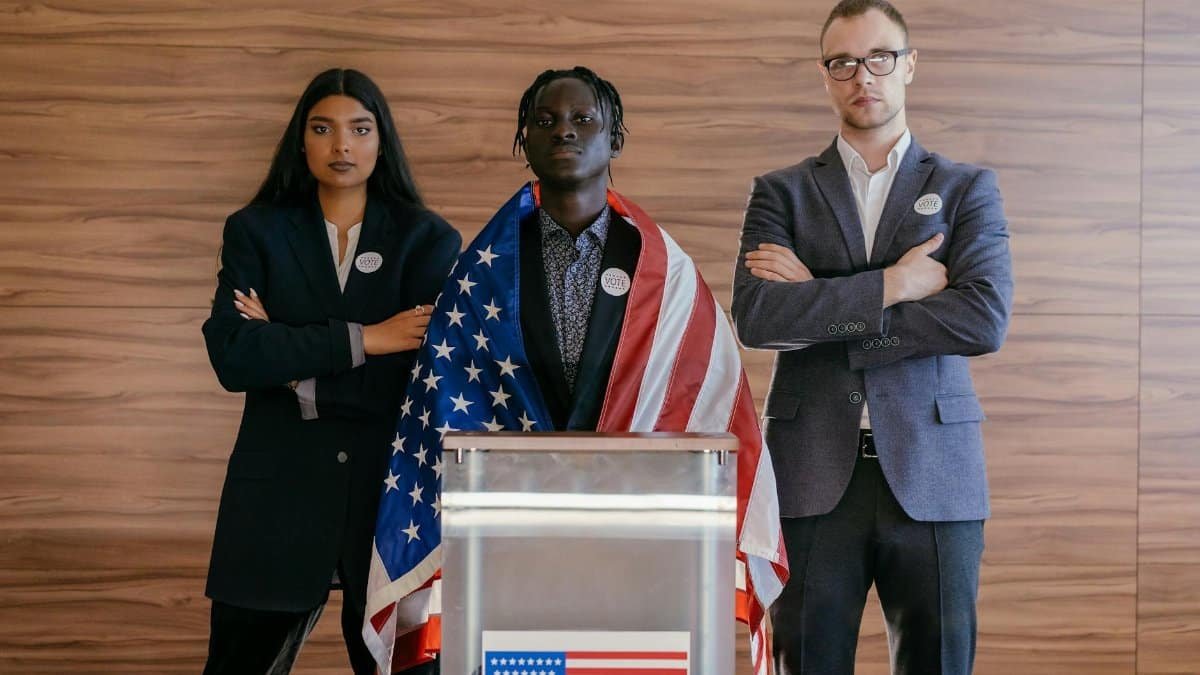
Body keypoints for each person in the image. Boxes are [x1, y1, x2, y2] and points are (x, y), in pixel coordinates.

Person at [361, 66, 788, 675]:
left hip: (636, 540)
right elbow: (447, 405)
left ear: (614, 138)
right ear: (524, 143)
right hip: (508, 539)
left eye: (584, 119)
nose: (565, 131)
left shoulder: (666, 275)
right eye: (546, 121)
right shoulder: (481, 272)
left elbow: (713, 403)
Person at [730, 1, 1013, 673]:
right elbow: (760, 318)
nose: (864, 76)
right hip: (810, 470)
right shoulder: (782, 192)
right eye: (844, 62)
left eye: (880, 57)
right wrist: (893, 284)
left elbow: (981, 317)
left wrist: (824, 302)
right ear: (826, 76)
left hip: (936, 469)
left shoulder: (967, 189)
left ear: (909, 66)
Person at [201, 67, 460, 675]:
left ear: (380, 140)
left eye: (359, 129)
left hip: (393, 497)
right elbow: (234, 357)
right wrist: (370, 338)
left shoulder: (428, 240)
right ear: (301, 140)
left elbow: (418, 379)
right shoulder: (255, 231)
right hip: (277, 492)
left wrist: (290, 360)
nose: (342, 145)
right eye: (323, 128)